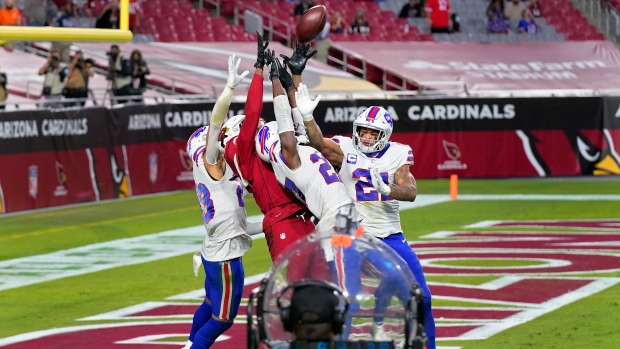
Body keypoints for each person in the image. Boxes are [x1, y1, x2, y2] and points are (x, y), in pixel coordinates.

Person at [301, 99, 436, 348]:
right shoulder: (345, 148)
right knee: (346, 299)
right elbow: (318, 143)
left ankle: (386, 326)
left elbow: (410, 191)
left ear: (384, 135)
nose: (366, 136)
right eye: (363, 130)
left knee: (422, 298)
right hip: (356, 234)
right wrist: (308, 117)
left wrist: (386, 188)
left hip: (391, 235)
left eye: (373, 132)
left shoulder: (398, 153)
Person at [182, 54, 257, 349]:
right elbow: (216, 125)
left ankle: (189, 344)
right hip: (225, 255)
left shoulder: (210, 169)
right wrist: (228, 91)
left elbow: (240, 224)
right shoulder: (212, 162)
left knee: (209, 304)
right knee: (223, 318)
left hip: (217, 248)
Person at [221, 33, 316, 263]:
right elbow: (253, 113)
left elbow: (297, 125)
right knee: (294, 286)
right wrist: (258, 72)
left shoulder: (264, 142)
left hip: (307, 214)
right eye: (247, 126)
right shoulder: (240, 151)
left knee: (321, 285)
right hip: (283, 220)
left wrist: (293, 79)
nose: (259, 122)